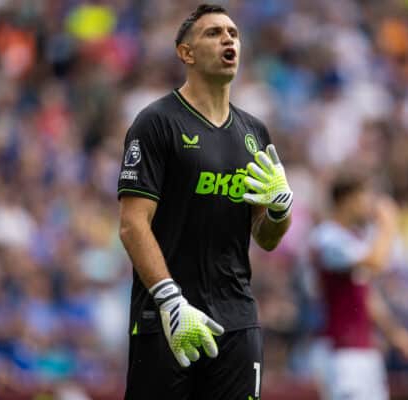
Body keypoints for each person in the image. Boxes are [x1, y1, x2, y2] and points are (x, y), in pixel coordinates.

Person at [117, 4, 293, 399]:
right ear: (186, 53)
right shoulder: (156, 122)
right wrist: (170, 300)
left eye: (233, 32)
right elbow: (132, 224)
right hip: (165, 315)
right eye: (213, 33)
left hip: (237, 319)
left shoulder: (254, 132)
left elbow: (265, 237)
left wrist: (280, 210)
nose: (228, 38)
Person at [308, 172, 408, 400]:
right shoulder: (327, 237)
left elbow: (366, 296)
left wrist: (394, 333)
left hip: (364, 351)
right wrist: (389, 224)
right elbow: (375, 262)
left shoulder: (353, 238)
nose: (369, 204)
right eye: (364, 197)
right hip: (342, 354)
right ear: (347, 200)